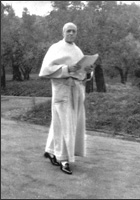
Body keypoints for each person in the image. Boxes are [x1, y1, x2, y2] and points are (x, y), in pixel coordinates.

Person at [39, 22, 94, 175]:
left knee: (62, 123)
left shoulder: (78, 50)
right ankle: (64, 159)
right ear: (63, 32)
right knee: (65, 124)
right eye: (68, 31)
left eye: (74, 31)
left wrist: (88, 71)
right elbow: (46, 70)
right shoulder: (55, 48)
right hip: (62, 90)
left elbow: (82, 74)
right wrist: (66, 69)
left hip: (76, 91)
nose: (71, 33)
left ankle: (50, 150)